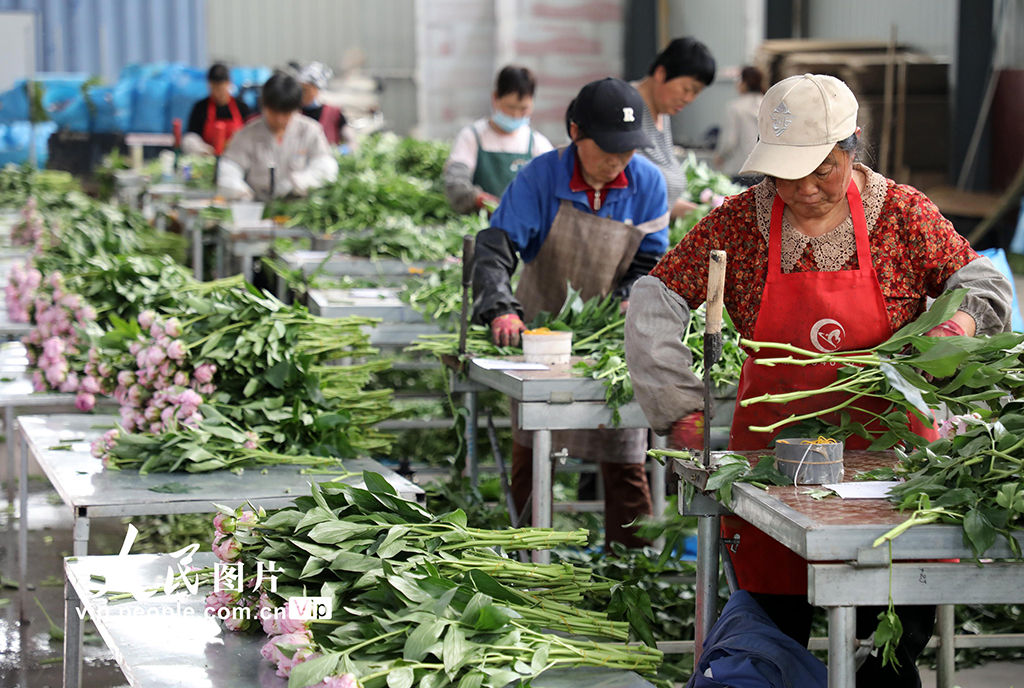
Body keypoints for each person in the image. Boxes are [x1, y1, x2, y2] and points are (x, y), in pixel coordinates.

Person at [624, 74, 1013, 685]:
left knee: (888, 642)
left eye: (824, 170)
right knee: (771, 635)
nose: (805, 189)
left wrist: (954, 325)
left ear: (852, 147)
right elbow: (655, 297)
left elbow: (983, 283)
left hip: (891, 470)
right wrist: (678, 405)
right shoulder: (740, 226)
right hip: (774, 469)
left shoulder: (901, 216)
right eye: (787, 174)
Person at [472, 78, 670, 548]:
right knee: (532, 453)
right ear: (576, 132)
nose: (617, 160)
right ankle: (528, 558)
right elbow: (495, 250)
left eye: (626, 150)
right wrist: (500, 309)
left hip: (611, 341)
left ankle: (632, 565)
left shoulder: (647, 183)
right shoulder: (540, 177)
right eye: (607, 149)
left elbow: (652, 260)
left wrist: (633, 295)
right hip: (541, 339)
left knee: (626, 456)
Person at [444, 66, 553, 215]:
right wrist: (480, 200)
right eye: (510, 107)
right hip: (479, 224)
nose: (516, 115)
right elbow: (455, 182)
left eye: (523, 109)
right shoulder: (472, 137)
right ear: (495, 98)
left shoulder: (537, 144)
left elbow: (551, 189)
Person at [217, 71, 339, 202]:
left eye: (286, 113)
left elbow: (324, 166)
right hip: (257, 206)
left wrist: (301, 182)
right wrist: (239, 191)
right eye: (274, 112)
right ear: (264, 106)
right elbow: (230, 168)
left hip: (299, 206)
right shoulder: (248, 134)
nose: (279, 119)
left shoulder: (310, 131)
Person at [632, 37, 716, 220]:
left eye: (696, 93)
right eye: (687, 89)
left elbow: (662, 199)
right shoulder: (628, 109)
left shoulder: (662, 114)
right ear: (661, 73)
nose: (689, 99)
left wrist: (708, 215)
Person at [183, 63, 252, 156]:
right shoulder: (200, 107)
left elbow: (250, 134)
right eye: (215, 88)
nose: (219, 92)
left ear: (229, 84)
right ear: (209, 85)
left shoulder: (242, 107)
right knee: (187, 140)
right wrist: (207, 149)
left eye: (222, 88)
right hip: (207, 154)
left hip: (234, 153)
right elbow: (192, 136)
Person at [714, 66, 765, 181]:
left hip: (739, 168)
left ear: (744, 83)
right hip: (762, 169)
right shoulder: (767, 105)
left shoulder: (735, 107)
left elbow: (729, 141)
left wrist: (720, 156)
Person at [297, 61, 357, 150]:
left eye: (306, 90)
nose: (303, 94)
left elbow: (351, 140)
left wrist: (347, 148)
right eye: (300, 89)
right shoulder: (296, 112)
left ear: (317, 89)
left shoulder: (333, 113)